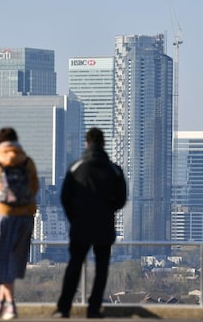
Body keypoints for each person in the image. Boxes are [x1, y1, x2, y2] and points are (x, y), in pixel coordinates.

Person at [52, 127, 127, 319]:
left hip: (80, 226)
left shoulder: (76, 168)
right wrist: (108, 211)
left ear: (86, 143)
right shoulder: (114, 170)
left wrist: (74, 217)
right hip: (104, 226)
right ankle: (94, 309)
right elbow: (121, 199)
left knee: (74, 266)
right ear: (103, 144)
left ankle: (63, 308)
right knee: (101, 268)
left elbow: (65, 198)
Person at [0, 127, 39, 320]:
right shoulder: (27, 162)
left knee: (3, 261)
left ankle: (10, 305)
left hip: (1, 217)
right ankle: (0, 304)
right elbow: (34, 187)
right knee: (13, 261)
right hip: (25, 217)